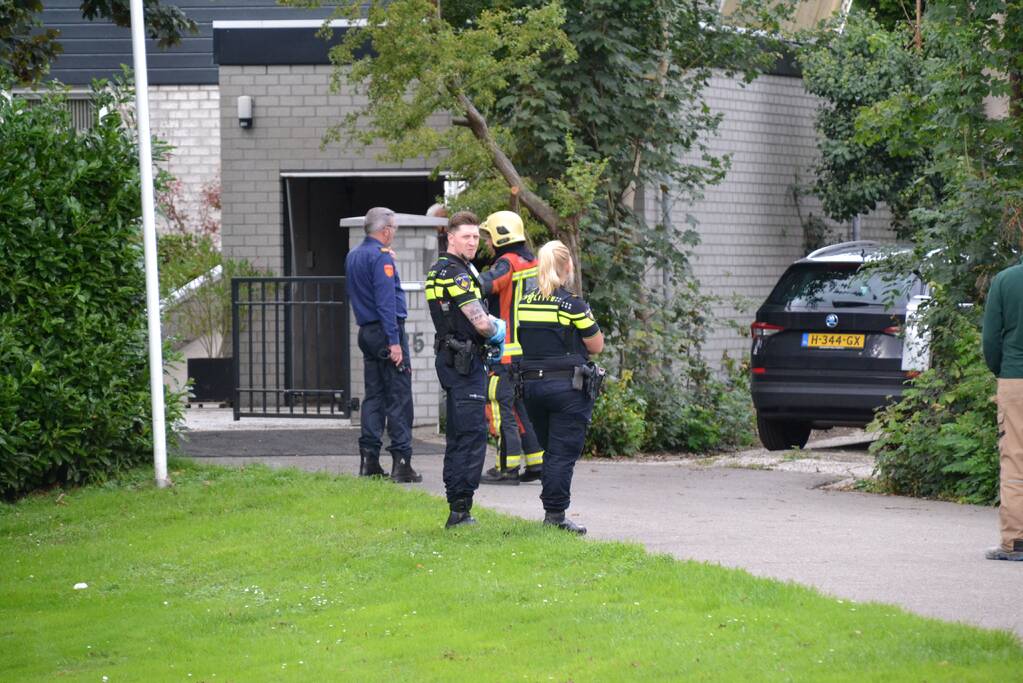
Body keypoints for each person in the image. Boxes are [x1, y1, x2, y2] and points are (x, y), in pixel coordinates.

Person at [426, 211, 507, 528]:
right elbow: (479, 321)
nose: (473, 241)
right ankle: (460, 510)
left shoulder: (441, 269)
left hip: (452, 358)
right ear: (451, 237)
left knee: (459, 435)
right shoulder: (455, 273)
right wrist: (496, 330)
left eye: (476, 236)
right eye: (467, 236)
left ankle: (457, 506)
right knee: (470, 436)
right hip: (464, 362)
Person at [517, 240, 604, 534]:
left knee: (549, 450)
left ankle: (552, 511)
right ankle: (555, 516)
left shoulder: (525, 302)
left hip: (531, 387)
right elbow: (596, 345)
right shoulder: (573, 303)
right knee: (561, 453)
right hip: (566, 388)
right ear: (567, 267)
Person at [344, 207, 421, 483]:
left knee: (374, 396)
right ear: (386, 230)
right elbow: (386, 303)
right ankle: (402, 463)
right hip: (387, 331)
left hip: (366, 332)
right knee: (399, 396)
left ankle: (369, 460)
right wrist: (394, 342)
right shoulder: (380, 258)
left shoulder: (353, 255)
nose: (394, 234)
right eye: (394, 230)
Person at [478, 210, 544, 485]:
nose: (487, 244)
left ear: (500, 236)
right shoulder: (535, 262)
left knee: (501, 406)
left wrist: (467, 275)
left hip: (505, 350)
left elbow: (487, 285)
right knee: (521, 408)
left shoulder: (507, 263)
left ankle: (507, 468)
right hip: (529, 351)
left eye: (488, 237)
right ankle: (536, 463)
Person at [982, 260, 1023, 561]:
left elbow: (990, 341)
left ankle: (1017, 541)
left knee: (1016, 460)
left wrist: (1003, 371)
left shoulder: (1006, 281)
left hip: (1016, 380)